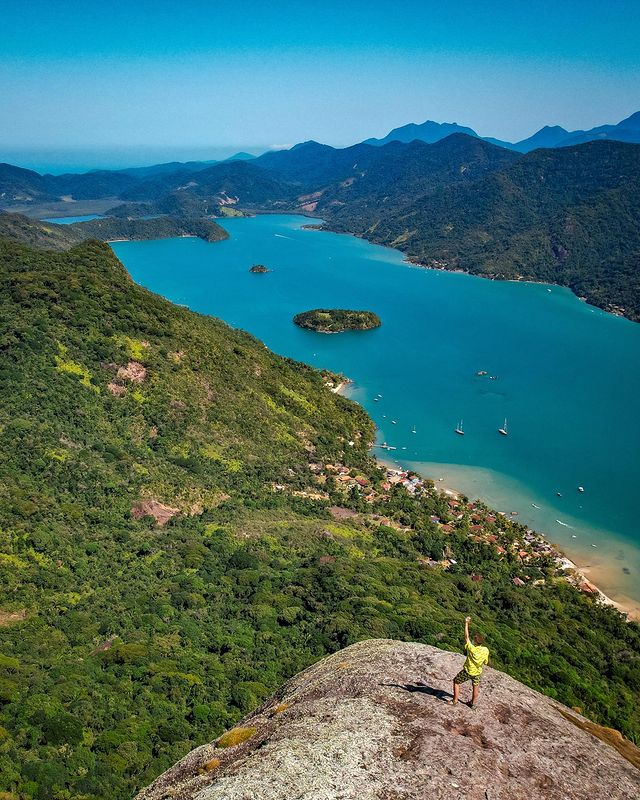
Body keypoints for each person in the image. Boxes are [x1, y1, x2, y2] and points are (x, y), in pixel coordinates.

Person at [450, 615, 489, 708]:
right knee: (475, 687)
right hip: (477, 672)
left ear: (475, 642)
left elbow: (466, 637)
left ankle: (455, 700)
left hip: (468, 671)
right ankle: (473, 704)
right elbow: (485, 662)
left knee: (456, 681)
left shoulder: (471, 648)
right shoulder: (485, 650)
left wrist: (466, 623)